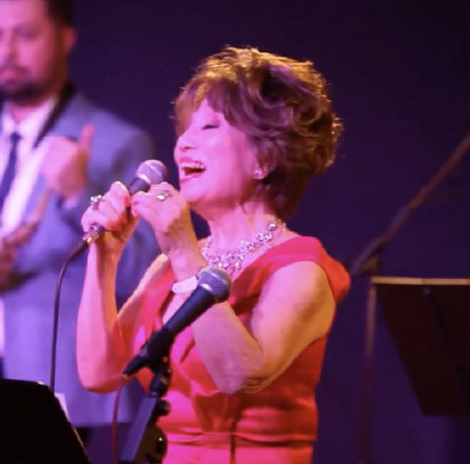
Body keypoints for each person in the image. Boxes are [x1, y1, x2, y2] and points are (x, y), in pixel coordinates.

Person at [76, 46, 350, 463]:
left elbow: (239, 375)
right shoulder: (171, 263)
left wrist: (185, 255)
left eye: (209, 127)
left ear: (264, 158)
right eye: (185, 129)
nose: (183, 143)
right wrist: (105, 259)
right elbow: (100, 373)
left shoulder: (301, 268)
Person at [0, 0, 157, 430]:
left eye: (25, 34)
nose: (7, 50)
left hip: (39, 380)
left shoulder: (118, 141)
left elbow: (142, 275)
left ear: (66, 37)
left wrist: (79, 194)